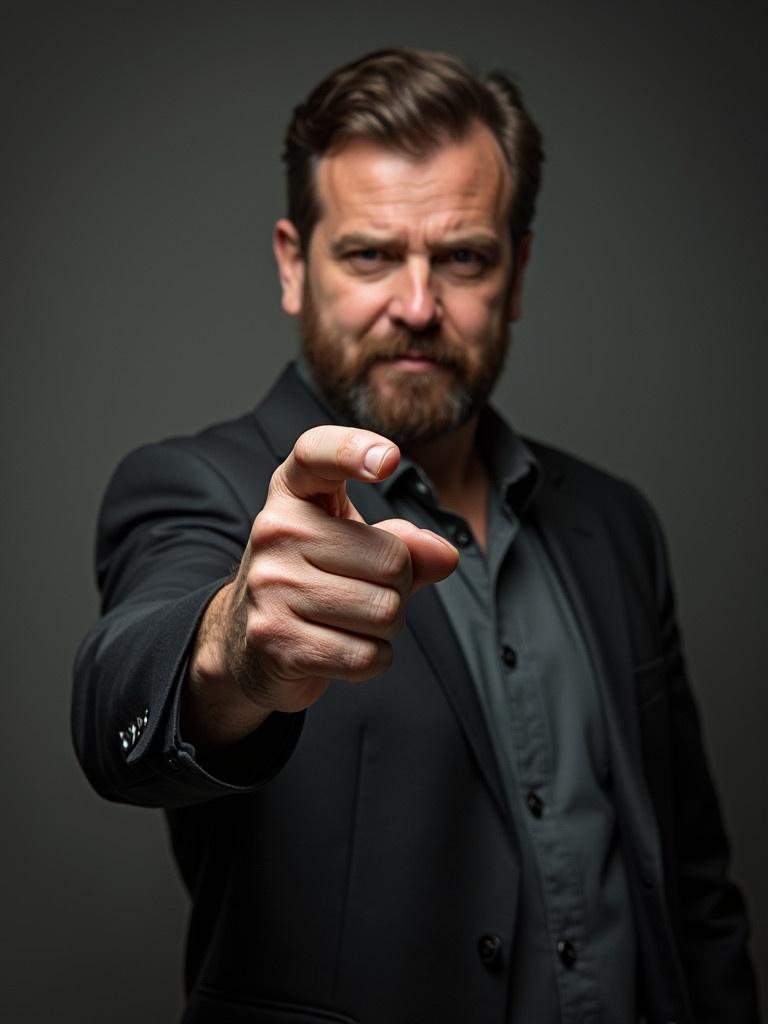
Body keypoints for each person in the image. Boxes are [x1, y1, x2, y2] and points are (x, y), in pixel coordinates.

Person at [72, 48, 760, 1024]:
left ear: (518, 272)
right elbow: (118, 712)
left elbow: (695, 887)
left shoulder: (616, 523)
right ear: (291, 263)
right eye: (369, 254)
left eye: (464, 257)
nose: (418, 305)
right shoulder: (196, 486)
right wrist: (236, 646)